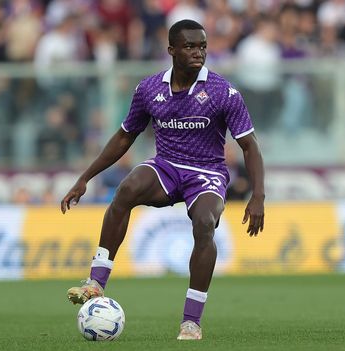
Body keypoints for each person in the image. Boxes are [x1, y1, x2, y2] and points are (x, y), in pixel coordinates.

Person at [60, 19, 265, 341]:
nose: (198, 53)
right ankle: (96, 282)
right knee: (125, 189)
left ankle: (191, 322)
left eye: (202, 46)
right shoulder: (149, 89)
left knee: (204, 223)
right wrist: (86, 178)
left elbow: (250, 146)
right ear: (171, 50)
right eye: (189, 46)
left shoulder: (224, 92)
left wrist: (258, 196)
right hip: (166, 166)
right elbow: (124, 137)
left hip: (207, 173)